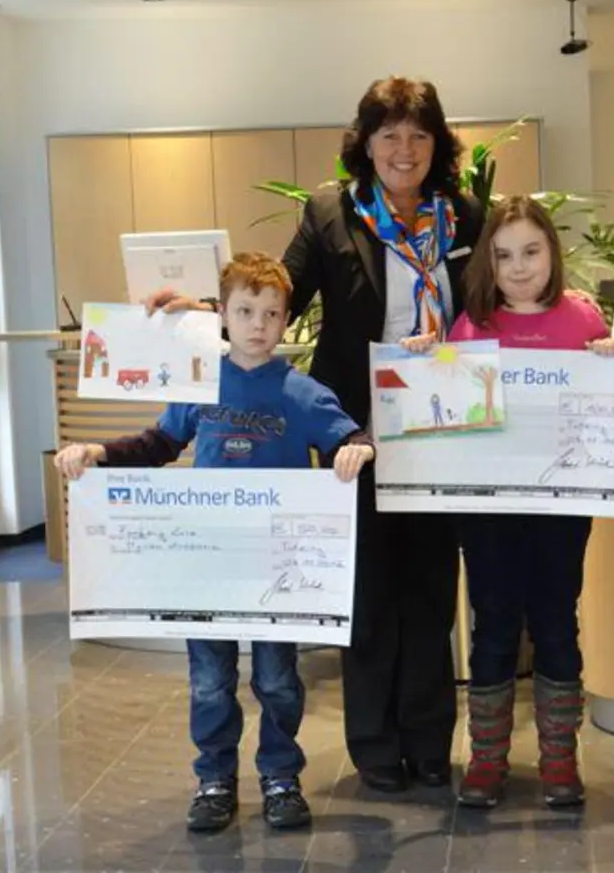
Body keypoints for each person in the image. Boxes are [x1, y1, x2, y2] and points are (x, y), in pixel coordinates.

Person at [145, 77, 484, 792]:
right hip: (349, 432)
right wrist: (205, 310)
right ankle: (375, 746)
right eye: (389, 133)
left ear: (438, 145)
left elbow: (491, 302)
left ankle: (428, 743)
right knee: (366, 587)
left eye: (419, 134)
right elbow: (282, 292)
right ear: (364, 142)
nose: (404, 148)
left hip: (440, 423)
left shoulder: (463, 217)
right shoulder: (334, 212)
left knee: (429, 587)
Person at [55, 252, 376, 833]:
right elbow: (158, 443)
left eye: (273, 313)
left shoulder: (301, 393)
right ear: (222, 315)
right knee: (208, 678)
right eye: (246, 311)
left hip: (278, 569)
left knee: (278, 678)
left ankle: (281, 777)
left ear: (285, 322)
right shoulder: (197, 381)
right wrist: (98, 454)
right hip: (205, 567)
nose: (259, 324)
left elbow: (345, 437)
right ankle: (214, 779)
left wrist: (356, 449)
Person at [399, 196, 614, 809]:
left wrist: (609, 357)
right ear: (488, 264)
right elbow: (448, 411)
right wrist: (425, 364)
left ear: (552, 250)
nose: (519, 268)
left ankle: (558, 761)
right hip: (489, 505)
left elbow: (603, 407)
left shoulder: (582, 319)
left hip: (562, 502)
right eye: (504, 256)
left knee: (556, 618)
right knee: (493, 623)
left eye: (531, 251)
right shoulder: (473, 321)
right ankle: (488, 760)